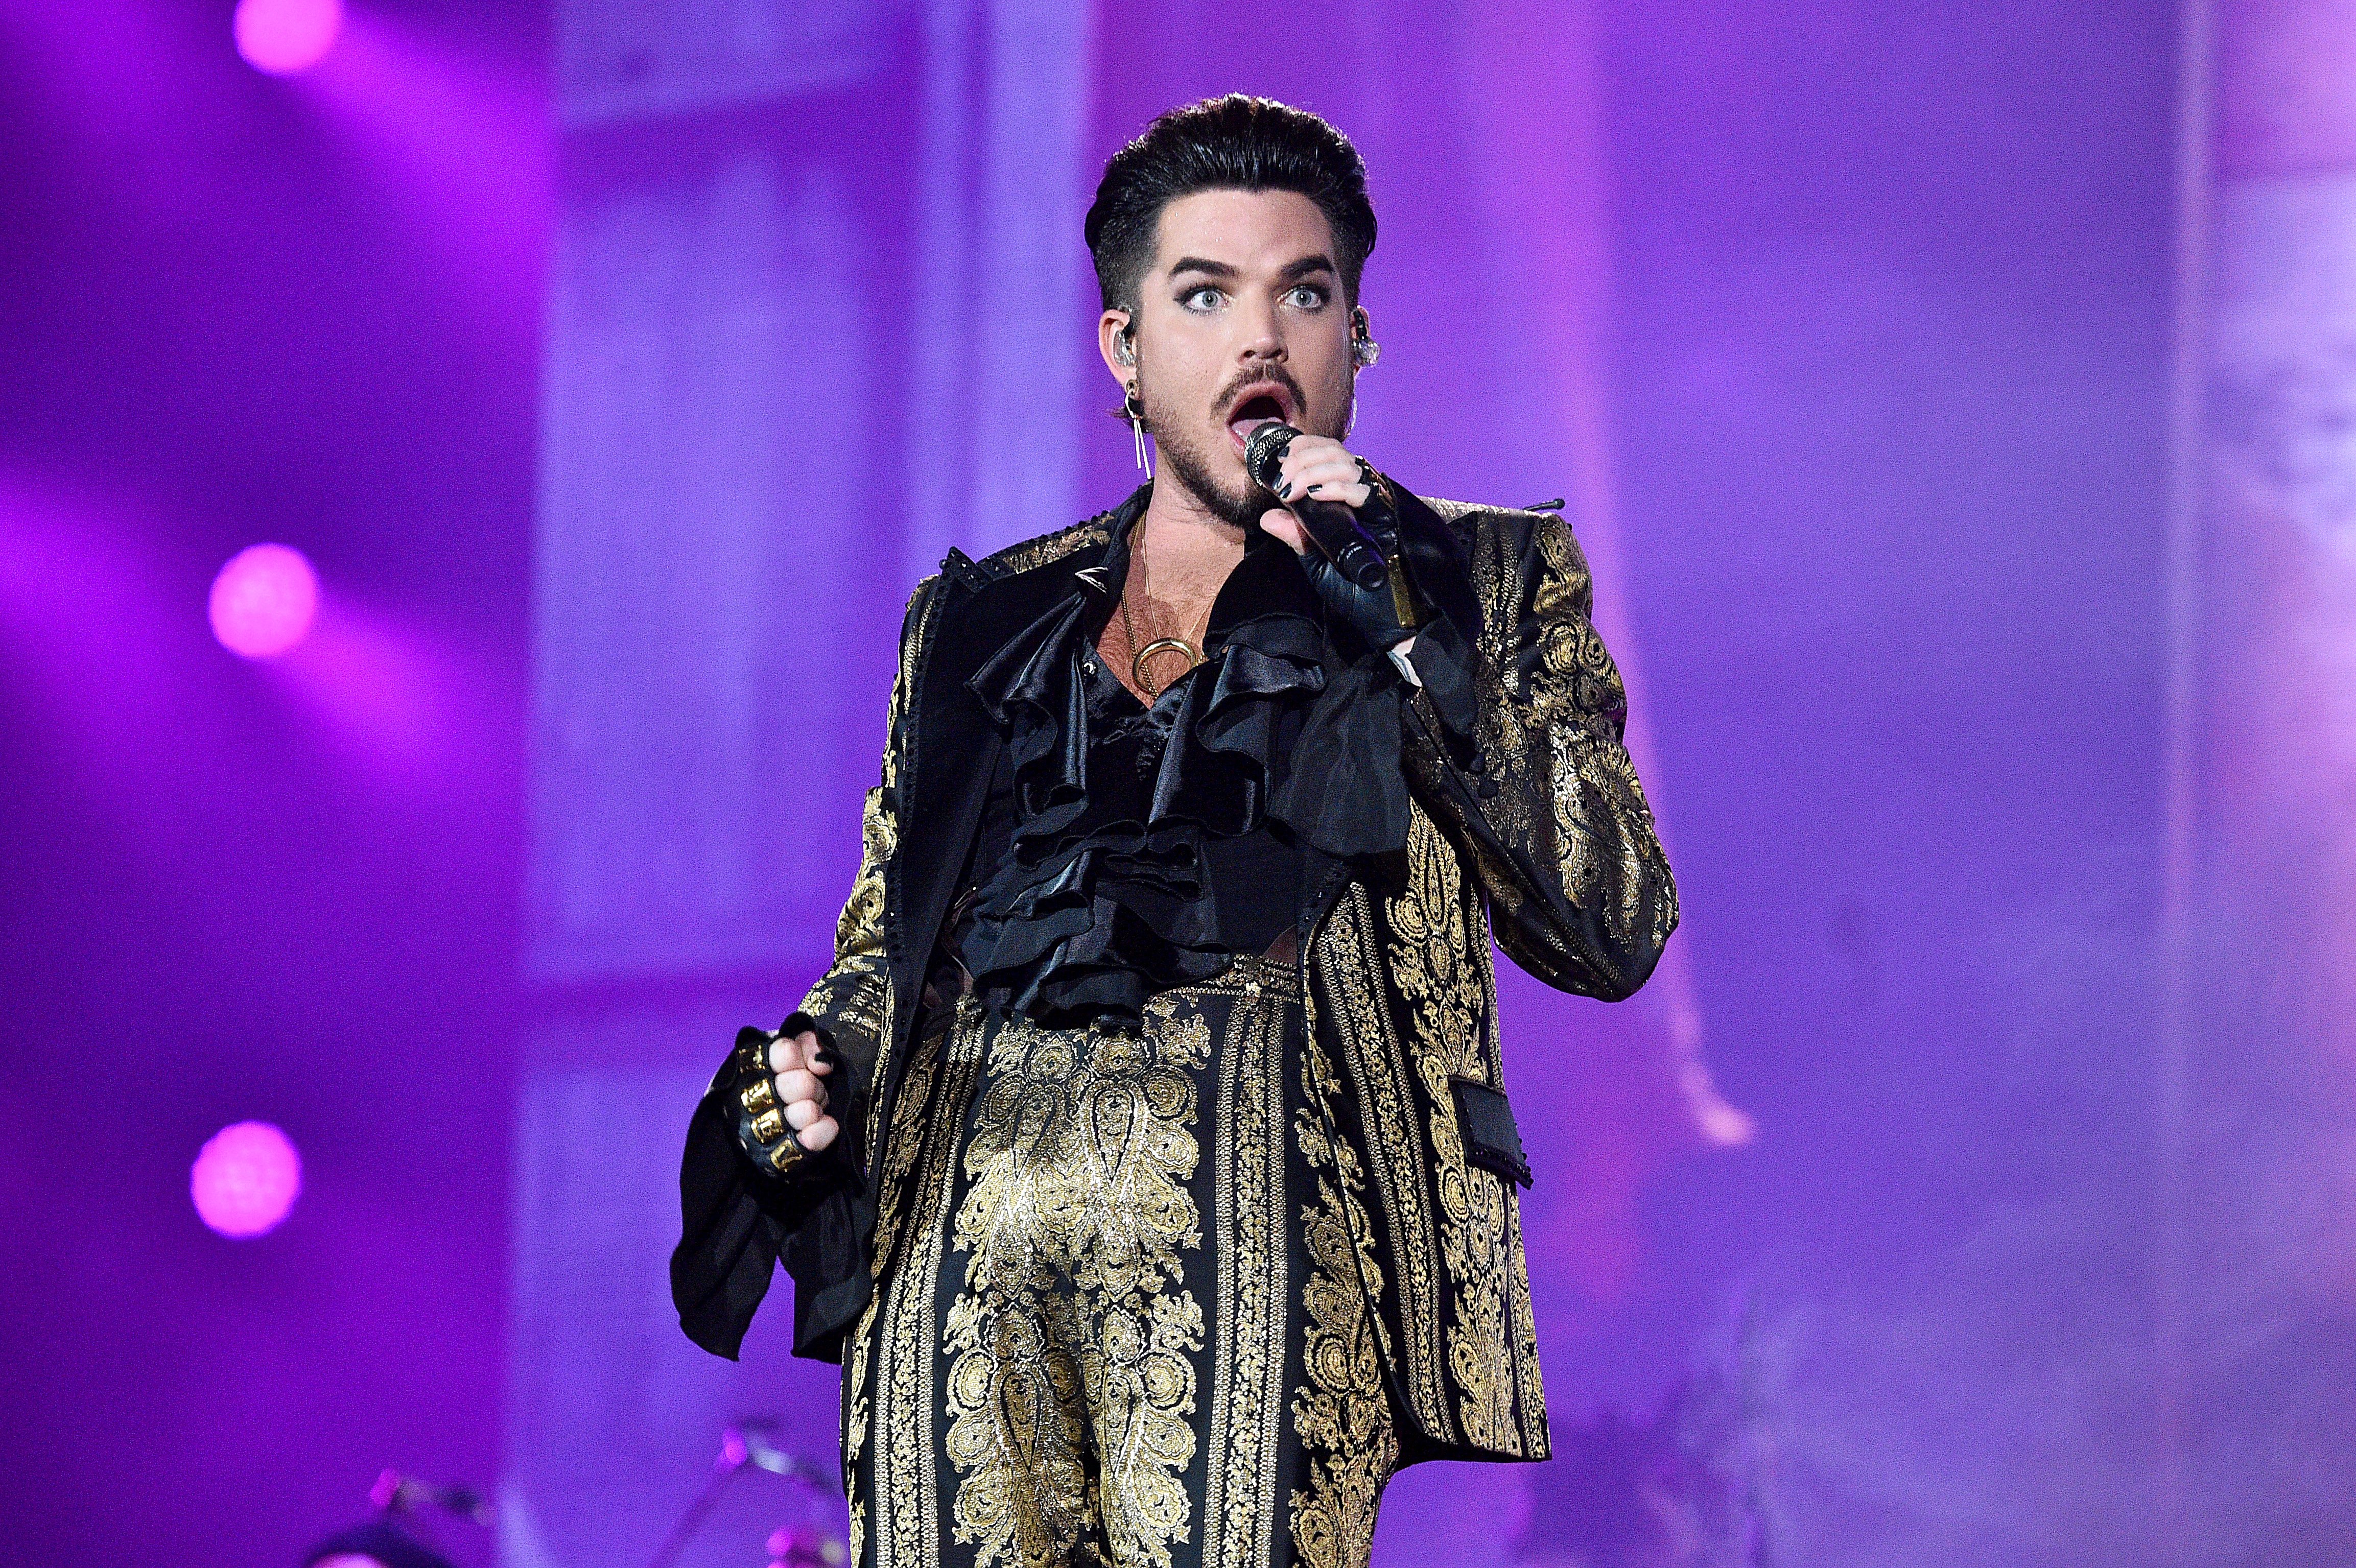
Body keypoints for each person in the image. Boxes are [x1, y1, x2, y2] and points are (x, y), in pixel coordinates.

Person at [672, 93, 1678, 1568]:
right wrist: (804, 1080)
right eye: (1204, 294)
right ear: (1126, 351)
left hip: (1261, 1233)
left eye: (1306, 291)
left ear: (1357, 336)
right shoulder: (980, 621)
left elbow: (1611, 921)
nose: (1261, 338)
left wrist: (1399, 619)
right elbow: (887, 945)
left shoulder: (1479, 573)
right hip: (955, 1260)